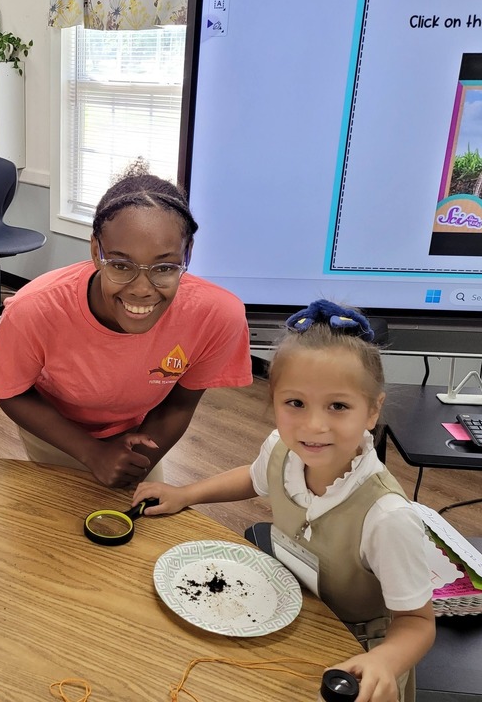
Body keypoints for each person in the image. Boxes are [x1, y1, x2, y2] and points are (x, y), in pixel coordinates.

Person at [132, 300, 435, 702]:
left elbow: (417, 623)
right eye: (295, 403)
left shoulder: (387, 518)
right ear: (273, 399)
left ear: (372, 410)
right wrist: (186, 493)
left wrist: (386, 661)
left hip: (354, 656)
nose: (313, 425)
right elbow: (253, 477)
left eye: (338, 406)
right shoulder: (282, 449)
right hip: (290, 614)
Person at [0, 167, 253, 488]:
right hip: (54, 429)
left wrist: (135, 464)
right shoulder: (35, 309)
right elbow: (13, 393)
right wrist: (92, 453)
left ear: (188, 253)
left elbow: (180, 404)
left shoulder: (217, 315)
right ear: (96, 250)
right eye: (121, 265)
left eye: (165, 267)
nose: (141, 289)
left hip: (141, 431)